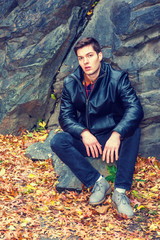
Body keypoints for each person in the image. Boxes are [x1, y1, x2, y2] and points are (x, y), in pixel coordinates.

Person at [50, 37, 144, 218]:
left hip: (111, 136)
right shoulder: (71, 83)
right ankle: (98, 182)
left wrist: (117, 134)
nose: (85, 62)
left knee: (134, 131)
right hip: (89, 139)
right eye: (80, 58)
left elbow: (135, 109)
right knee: (58, 141)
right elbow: (65, 117)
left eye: (90, 55)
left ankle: (120, 192)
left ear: (99, 56)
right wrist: (83, 133)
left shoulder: (117, 78)